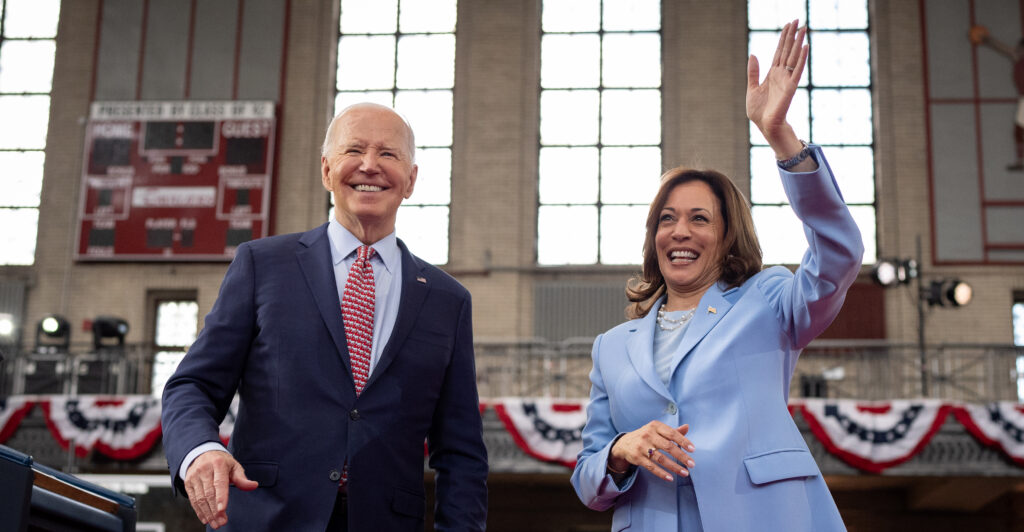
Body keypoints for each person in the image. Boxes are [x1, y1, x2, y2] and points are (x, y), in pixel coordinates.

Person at [570, 21, 863, 531]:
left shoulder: (770, 303)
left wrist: (782, 139)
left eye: (699, 218)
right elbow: (588, 477)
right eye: (667, 219)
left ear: (728, 237)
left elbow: (839, 256)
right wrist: (621, 449)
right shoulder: (611, 347)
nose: (679, 231)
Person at [161, 103, 488, 531]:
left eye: (388, 154)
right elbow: (193, 385)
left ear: (410, 180)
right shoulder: (262, 265)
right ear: (326, 169)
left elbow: (461, 452)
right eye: (354, 150)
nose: (370, 166)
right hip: (263, 519)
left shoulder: (449, 300)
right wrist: (201, 449)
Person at [970, 24, 1024, 171]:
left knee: (1019, 130)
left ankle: (1020, 161)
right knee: (1019, 131)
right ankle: (1020, 161)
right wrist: (987, 39)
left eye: (1020, 49)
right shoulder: (1017, 57)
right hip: (1023, 99)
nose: (1017, 50)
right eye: (1018, 48)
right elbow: (1003, 48)